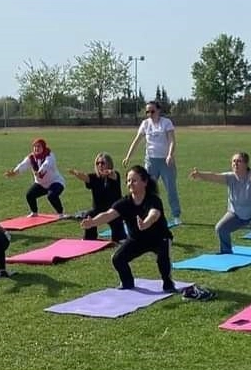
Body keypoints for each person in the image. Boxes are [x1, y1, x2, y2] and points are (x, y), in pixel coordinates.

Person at [81, 166, 212, 300]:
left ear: (144, 182)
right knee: (117, 259)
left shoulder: (153, 200)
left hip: (159, 238)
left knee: (162, 258)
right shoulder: (125, 202)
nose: (130, 184)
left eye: (134, 180)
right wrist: (93, 222)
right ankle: (127, 282)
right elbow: (109, 214)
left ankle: (168, 283)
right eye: (128, 181)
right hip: (136, 240)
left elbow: (154, 214)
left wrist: (146, 223)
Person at [189, 152, 251, 256]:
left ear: (246, 164)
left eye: (239, 161)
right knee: (221, 228)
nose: (235, 164)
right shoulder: (230, 177)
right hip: (236, 214)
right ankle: (226, 251)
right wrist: (200, 175)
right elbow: (215, 176)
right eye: (234, 161)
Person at [122, 101, 181, 225]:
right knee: (146, 189)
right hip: (151, 160)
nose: (150, 114)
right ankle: (147, 214)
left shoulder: (166, 123)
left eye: (152, 111)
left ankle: (176, 215)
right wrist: (128, 156)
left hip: (165, 161)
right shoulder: (145, 124)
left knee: (171, 189)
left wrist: (170, 155)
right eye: (147, 112)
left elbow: (172, 141)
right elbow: (136, 141)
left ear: (159, 111)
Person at [68, 153, 126, 242]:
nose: (100, 165)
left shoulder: (115, 175)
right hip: (98, 209)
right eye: (97, 163)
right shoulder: (94, 177)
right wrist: (76, 173)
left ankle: (120, 237)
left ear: (109, 164)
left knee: (119, 238)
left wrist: (109, 172)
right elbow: (85, 177)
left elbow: (114, 175)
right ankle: (90, 238)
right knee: (89, 215)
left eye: (102, 163)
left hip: (113, 210)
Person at [4, 138, 66, 217]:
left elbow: (46, 164)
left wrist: (40, 172)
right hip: (41, 184)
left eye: (39, 146)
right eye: (35, 146)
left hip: (55, 182)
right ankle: (34, 212)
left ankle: (60, 213)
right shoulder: (31, 157)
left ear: (43, 147)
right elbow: (23, 165)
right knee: (29, 195)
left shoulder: (50, 155)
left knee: (51, 196)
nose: (36, 148)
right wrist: (14, 172)